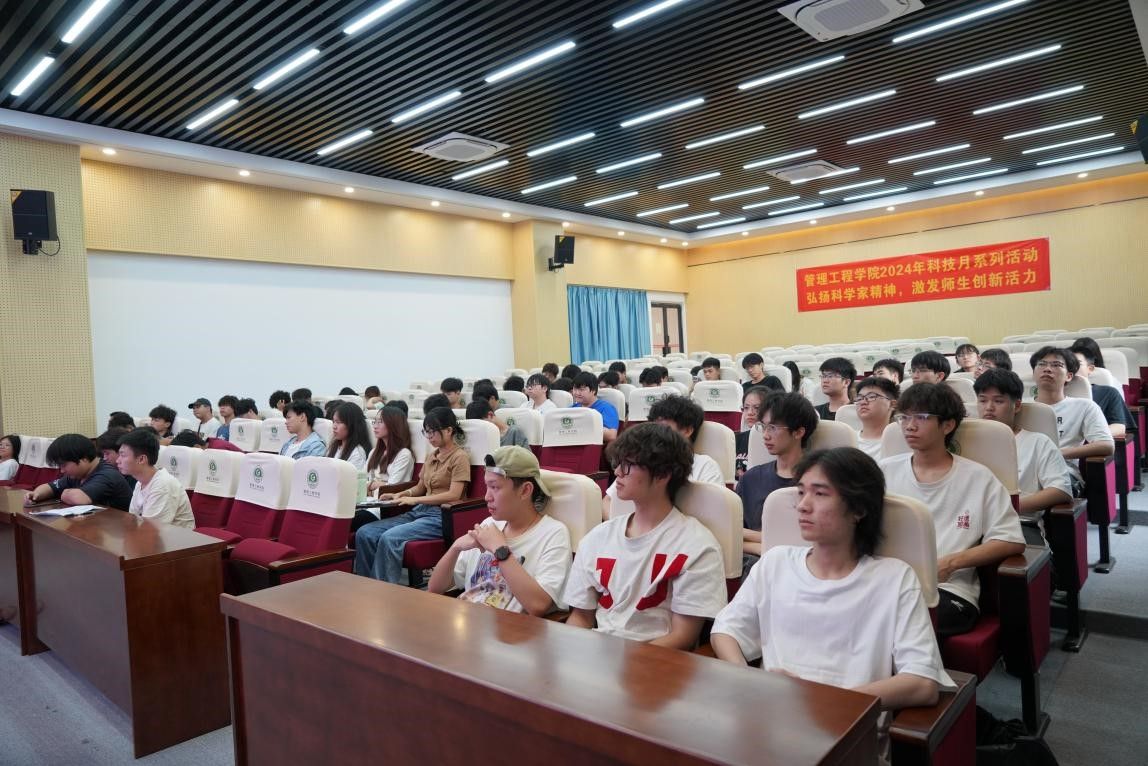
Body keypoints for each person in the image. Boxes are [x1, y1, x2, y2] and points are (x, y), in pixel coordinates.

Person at [712, 448, 951, 756]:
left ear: (858, 509)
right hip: (768, 728)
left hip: (846, 738)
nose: (803, 505)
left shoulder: (894, 578)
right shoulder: (776, 562)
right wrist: (750, 680)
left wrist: (825, 700)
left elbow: (922, 682)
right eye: (801, 492)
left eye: (820, 493)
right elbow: (726, 630)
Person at [562, 423, 727, 649]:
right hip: (596, 654)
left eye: (628, 465)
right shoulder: (597, 537)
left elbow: (683, 637)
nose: (617, 472)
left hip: (656, 660)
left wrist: (627, 663)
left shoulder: (697, 545)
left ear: (662, 475)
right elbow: (581, 617)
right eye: (617, 463)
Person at [881, 383, 1025, 637]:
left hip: (949, 592)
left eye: (921, 417)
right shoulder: (883, 471)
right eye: (903, 417)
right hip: (888, 584)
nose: (909, 426)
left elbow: (1010, 540)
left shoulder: (978, 477)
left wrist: (950, 563)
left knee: (897, 621)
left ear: (948, 425)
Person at [428, 446, 571, 615]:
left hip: (510, 628)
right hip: (466, 620)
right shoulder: (489, 525)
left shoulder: (553, 534)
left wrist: (500, 549)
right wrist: (455, 548)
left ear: (525, 490)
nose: (487, 497)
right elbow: (435, 588)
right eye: (486, 487)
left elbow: (538, 605)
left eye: (495, 487)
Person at [354, 407, 470, 584]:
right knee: (365, 533)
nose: (429, 436)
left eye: (433, 431)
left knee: (390, 538)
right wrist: (400, 494)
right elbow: (420, 487)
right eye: (426, 432)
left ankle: (382, 591)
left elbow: (454, 495)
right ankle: (365, 585)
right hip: (421, 511)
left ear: (448, 430)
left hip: (441, 516)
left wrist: (414, 499)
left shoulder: (459, 457)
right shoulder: (432, 456)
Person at [974, 369, 1072, 545]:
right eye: (982, 400)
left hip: (1019, 523)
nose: (988, 407)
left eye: (998, 401)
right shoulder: (966, 443)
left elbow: (1060, 491)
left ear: (1017, 405)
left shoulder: (1038, 442)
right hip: (970, 526)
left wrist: (1005, 509)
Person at [602, 395, 724, 519]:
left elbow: (712, 515)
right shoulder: (640, 460)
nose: (656, 434)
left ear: (687, 431)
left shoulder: (705, 466)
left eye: (663, 428)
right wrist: (621, 526)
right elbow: (608, 501)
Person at [737, 392, 818, 574]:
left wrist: (760, 544)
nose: (765, 435)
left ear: (799, 432)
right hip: (754, 567)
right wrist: (762, 547)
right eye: (763, 427)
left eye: (773, 428)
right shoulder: (751, 478)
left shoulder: (818, 482)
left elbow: (810, 542)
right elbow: (732, 533)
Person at [1029, 346, 1114, 484]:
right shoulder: (1020, 408)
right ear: (1034, 374)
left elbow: (1106, 445)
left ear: (1069, 376)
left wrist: (1057, 453)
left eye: (1056, 365)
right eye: (1042, 364)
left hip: (1062, 471)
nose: (1047, 369)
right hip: (1023, 471)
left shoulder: (1085, 406)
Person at [24, 433, 132, 510]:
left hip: (120, 530)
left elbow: (80, 498)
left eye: (64, 465)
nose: (62, 470)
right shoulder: (79, 474)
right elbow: (50, 487)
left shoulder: (107, 474)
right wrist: (36, 494)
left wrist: (65, 493)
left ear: (83, 459)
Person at [115, 429, 195, 528]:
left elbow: (150, 530)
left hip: (177, 537)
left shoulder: (162, 485)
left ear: (141, 459)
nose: (117, 460)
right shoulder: (140, 482)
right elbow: (133, 519)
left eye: (122, 455)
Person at [1069, 338, 1133, 437]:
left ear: (1090, 368)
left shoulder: (1108, 393)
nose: (1071, 368)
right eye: (1066, 364)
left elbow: (1119, 427)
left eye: (1077, 364)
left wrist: (1085, 435)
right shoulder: (1052, 393)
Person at [365, 405, 415, 493]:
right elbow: (362, 479)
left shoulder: (404, 454)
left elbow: (391, 487)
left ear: (393, 425)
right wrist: (375, 484)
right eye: (375, 421)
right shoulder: (374, 452)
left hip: (389, 500)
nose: (375, 426)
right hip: (370, 498)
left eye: (380, 422)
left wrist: (372, 485)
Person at [854, 376, 898, 459]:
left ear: (892, 404)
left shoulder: (901, 442)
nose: (863, 402)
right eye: (859, 398)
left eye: (871, 397)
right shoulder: (848, 439)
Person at [735, 387, 773, 480]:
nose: (750, 413)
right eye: (746, 408)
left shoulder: (777, 440)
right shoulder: (735, 439)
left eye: (757, 408)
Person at [571, 371, 620, 443]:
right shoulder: (572, 408)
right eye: (575, 389)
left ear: (593, 390)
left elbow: (611, 435)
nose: (577, 393)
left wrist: (582, 427)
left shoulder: (606, 408)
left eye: (581, 389)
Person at [327, 401, 372, 470]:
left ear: (352, 425)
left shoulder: (357, 453)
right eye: (334, 422)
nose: (334, 426)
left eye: (338, 422)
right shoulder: (335, 446)